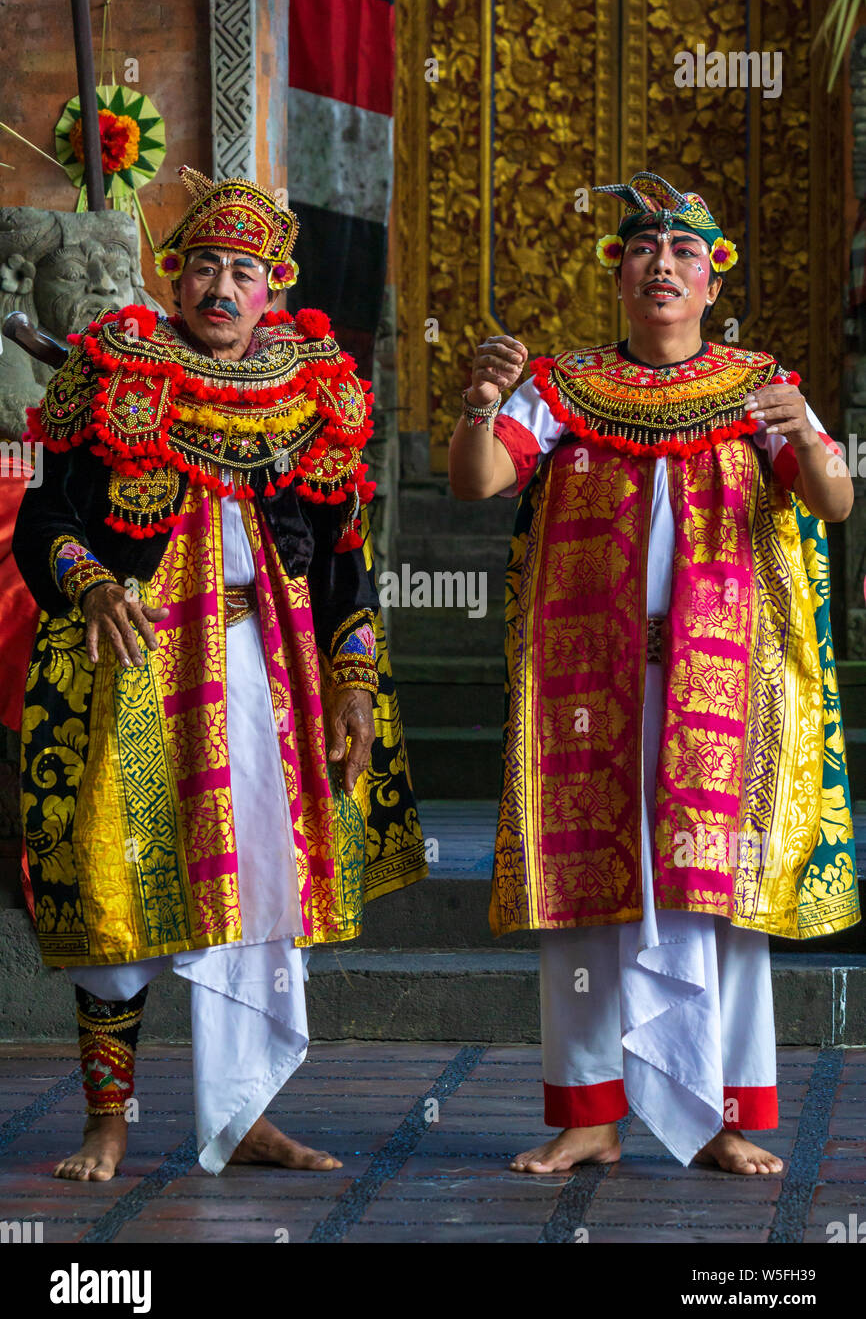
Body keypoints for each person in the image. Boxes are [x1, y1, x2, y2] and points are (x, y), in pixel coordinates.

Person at [11, 165, 426, 1181]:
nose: (220, 289)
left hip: (265, 676)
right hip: (134, 669)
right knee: (118, 890)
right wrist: (92, 582)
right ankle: (107, 1120)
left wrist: (354, 681)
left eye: (242, 271)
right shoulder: (114, 371)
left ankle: (242, 1114)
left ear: (272, 285)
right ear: (172, 274)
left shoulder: (308, 386)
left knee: (263, 894)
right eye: (202, 266)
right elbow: (44, 520)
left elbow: (341, 556)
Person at [449, 171, 859, 1176]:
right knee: (585, 900)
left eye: (683, 252)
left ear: (712, 280)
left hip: (719, 687)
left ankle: (720, 1115)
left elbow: (833, 504)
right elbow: (479, 479)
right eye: (642, 249)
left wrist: (801, 433)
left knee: (712, 898)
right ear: (616, 273)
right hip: (586, 689)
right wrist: (479, 403)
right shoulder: (562, 388)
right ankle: (588, 1115)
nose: (661, 264)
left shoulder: (758, 383)